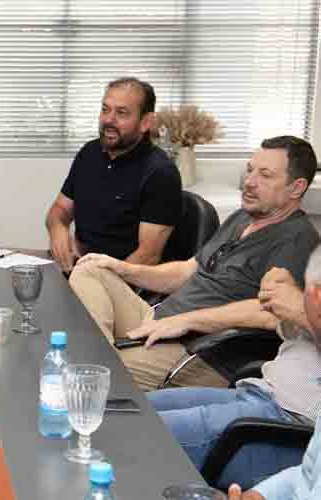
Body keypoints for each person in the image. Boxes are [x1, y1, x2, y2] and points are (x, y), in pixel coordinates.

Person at [69, 136, 320, 391]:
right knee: (91, 268)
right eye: (249, 170)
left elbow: (270, 313)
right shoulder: (242, 217)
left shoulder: (297, 240)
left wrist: (185, 321)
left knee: (92, 371)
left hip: (197, 349)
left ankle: (94, 366)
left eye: (265, 175)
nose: (250, 182)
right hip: (159, 320)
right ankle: (97, 359)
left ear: (296, 188)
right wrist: (124, 269)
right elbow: (188, 270)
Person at [152, 247, 321, 493]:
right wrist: (285, 301)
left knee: (131, 434)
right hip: (260, 391)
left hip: (288, 418)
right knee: (128, 410)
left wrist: (301, 309)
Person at [46, 77, 182, 272]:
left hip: (124, 282)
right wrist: (57, 230)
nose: (109, 119)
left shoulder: (161, 173)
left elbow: (148, 256)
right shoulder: (89, 153)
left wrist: (94, 280)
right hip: (79, 268)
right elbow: (61, 208)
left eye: (122, 113)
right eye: (105, 109)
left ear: (146, 122)